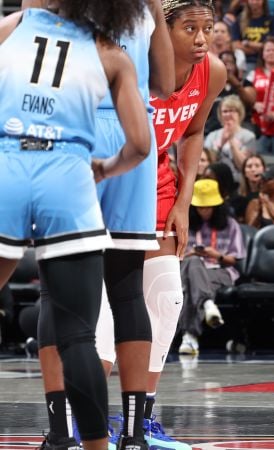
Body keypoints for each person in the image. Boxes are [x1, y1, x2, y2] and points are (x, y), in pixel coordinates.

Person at [0, 2, 152, 450]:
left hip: (7, 161)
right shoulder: (109, 51)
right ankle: (96, 448)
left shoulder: (11, 26)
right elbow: (141, 145)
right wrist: (105, 168)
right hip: (67, 174)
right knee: (78, 336)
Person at [145, 0, 226, 444]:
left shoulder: (212, 72)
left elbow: (193, 132)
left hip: (159, 176)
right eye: (189, 28)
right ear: (162, 27)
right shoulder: (133, 58)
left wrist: (184, 200)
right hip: (111, 176)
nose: (200, 38)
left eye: (207, 28)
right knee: (102, 306)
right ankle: (87, 417)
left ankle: (143, 416)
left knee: (168, 299)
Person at [178, 179, 245, 355]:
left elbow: (234, 260)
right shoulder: (185, 224)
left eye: (208, 207)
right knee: (192, 265)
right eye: (200, 207)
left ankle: (190, 337)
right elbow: (177, 257)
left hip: (221, 271)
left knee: (192, 283)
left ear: (217, 206)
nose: (204, 211)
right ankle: (207, 303)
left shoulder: (231, 225)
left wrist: (217, 255)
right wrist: (191, 253)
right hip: (190, 268)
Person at [204, 95, 255, 182]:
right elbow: (207, 162)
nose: (228, 114)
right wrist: (221, 143)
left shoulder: (248, 136)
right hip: (214, 179)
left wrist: (231, 141)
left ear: (239, 113)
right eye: (225, 111)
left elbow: (243, 165)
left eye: (232, 111)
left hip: (238, 180)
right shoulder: (212, 136)